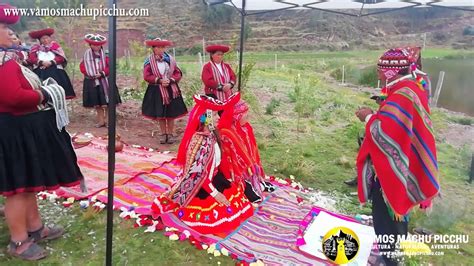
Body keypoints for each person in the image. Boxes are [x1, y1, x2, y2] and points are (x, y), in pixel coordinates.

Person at [0, 4, 83, 260]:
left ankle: (36, 228)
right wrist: (44, 93)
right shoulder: (3, 63)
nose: (12, 34)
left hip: (22, 130)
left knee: (28, 184)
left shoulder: (10, 59)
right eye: (5, 29)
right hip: (13, 132)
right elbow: (12, 97)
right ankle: (18, 241)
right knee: (18, 189)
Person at [355, 47, 440, 265]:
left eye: (380, 69)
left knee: (387, 219)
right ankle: (390, 253)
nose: (378, 73)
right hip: (401, 165)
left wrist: (368, 118)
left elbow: (385, 134)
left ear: (391, 72)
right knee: (393, 218)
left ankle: (390, 259)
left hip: (392, 173)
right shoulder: (407, 88)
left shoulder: (403, 94)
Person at [151, 94, 253, 235]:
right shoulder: (200, 142)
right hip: (200, 185)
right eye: (215, 115)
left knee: (237, 202)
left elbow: (214, 165)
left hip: (212, 178)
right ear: (206, 119)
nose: (218, 117)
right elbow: (199, 174)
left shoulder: (212, 134)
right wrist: (215, 194)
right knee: (217, 214)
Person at [218, 98, 275, 203]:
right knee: (239, 175)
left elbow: (251, 149)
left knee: (251, 168)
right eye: (245, 114)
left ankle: (256, 181)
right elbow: (230, 158)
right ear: (236, 116)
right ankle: (245, 185)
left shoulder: (246, 128)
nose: (248, 116)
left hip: (249, 169)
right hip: (234, 171)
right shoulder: (226, 132)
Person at [142, 38, 187, 144]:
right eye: (158, 47)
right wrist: (159, 80)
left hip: (171, 89)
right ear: (153, 49)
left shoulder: (170, 60)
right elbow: (147, 75)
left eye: (163, 47)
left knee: (170, 114)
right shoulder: (149, 62)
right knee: (160, 113)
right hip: (156, 90)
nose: (161, 49)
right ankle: (163, 134)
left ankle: (170, 134)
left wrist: (171, 80)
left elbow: (177, 73)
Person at [80, 33, 121, 128]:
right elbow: (82, 67)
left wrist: (102, 73)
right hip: (92, 81)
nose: (96, 46)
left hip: (106, 81)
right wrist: (90, 73)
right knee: (97, 103)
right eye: (93, 44)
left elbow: (110, 67)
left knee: (108, 102)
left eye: (98, 45)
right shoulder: (86, 55)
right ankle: (101, 121)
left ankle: (109, 121)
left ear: (101, 45)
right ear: (90, 45)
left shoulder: (106, 55)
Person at [28, 27, 75, 99]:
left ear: (50, 38)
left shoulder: (55, 46)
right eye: (43, 39)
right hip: (41, 72)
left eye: (47, 38)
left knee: (59, 90)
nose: (45, 40)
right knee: (45, 91)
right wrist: (41, 62)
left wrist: (51, 62)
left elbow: (61, 57)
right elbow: (32, 58)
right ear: (39, 40)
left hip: (56, 71)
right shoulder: (35, 48)